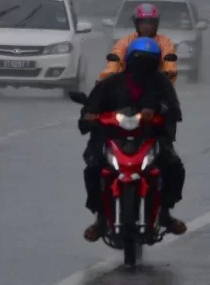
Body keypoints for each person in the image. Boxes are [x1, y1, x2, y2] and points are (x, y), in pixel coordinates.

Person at [80, 37, 187, 242]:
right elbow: (91, 107)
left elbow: (174, 110)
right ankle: (101, 219)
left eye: (148, 61)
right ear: (129, 60)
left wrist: (157, 109)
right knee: (93, 168)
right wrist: (90, 116)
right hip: (113, 138)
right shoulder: (111, 84)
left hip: (150, 137)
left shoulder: (162, 84)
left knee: (174, 167)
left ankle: (165, 213)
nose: (142, 66)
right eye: (138, 59)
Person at [98, 3, 178, 84]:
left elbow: (168, 59)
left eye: (150, 22)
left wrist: (170, 71)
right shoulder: (125, 41)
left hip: (157, 84)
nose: (146, 26)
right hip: (129, 84)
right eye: (142, 22)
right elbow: (116, 58)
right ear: (136, 23)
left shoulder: (165, 42)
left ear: (155, 24)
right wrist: (108, 75)